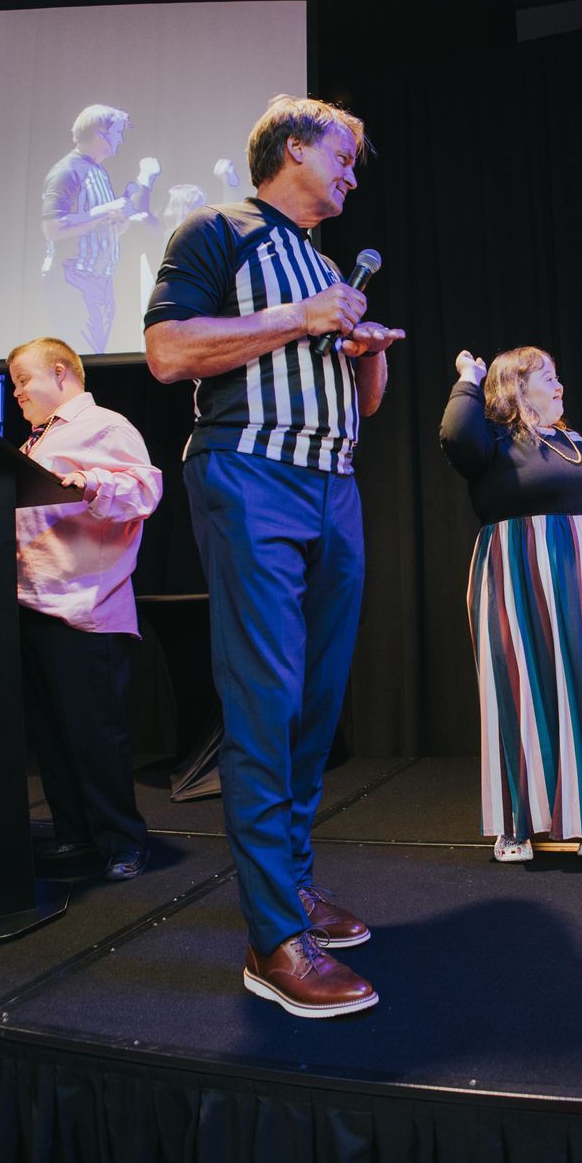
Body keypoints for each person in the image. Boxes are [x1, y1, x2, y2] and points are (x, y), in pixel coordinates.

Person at [145, 94, 404, 1019]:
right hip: (251, 474)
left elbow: (364, 408)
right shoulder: (219, 230)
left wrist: (365, 354)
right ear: (291, 148)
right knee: (266, 696)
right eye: (341, 154)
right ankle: (270, 940)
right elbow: (170, 352)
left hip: (332, 484)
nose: (351, 173)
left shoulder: (325, 265)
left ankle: (289, 887)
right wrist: (303, 318)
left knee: (316, 700)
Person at [438, 347, 582, 863]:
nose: (560, 386)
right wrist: (469, 379)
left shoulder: (573, 441)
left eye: (558, 376)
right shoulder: (492, 439)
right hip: (515, 570)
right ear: (514, 388)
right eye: (548, 378)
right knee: (518, 690)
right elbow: (455, 436)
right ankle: (516, 824)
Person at [9, 336, 163, 881]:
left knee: (94, 734)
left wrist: (89, 482)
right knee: (52, 735)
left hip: (83, 608)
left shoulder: (104, 425)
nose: (17, 393)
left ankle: (123, 840)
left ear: (59, 372)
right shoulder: (37, 440)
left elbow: (145, 490)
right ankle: (74, 834)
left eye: (23, 381)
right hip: (31, 603)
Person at [40, 104, 159, 354]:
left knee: (96, 356)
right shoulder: (67, 171)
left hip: (99, 281)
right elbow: (53, 228)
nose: (121, 139)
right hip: (73, 279)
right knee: (83, 357)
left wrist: (118, 222)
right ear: (99, 134)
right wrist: (106, 211)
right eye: (116, 132)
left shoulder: (98, 170)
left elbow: (94, 224)